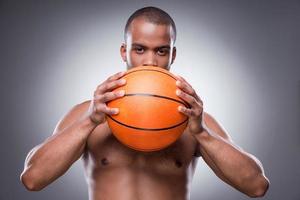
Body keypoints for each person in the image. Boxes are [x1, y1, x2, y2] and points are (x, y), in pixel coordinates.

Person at [20, 6, 269, 199]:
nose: (150, 61)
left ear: (172, 55)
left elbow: (256, 186)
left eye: (161, 51)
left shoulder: (194, 117)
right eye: (139, 49)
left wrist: (202, 134)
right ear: (123, 51)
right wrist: (89, 121)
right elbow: (32, 178)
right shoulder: (88, 113)